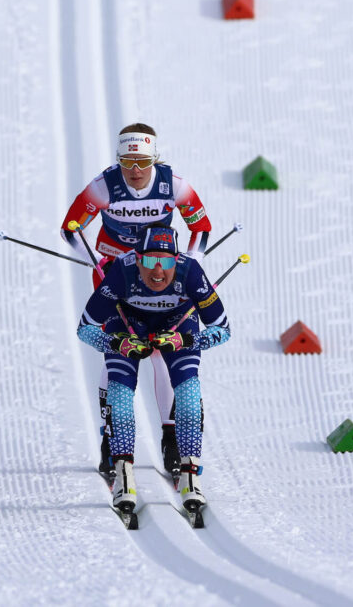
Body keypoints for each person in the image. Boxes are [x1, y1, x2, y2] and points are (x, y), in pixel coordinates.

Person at [61, 123, 213, 480]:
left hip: (160, 270)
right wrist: (95, 262)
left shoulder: (172, 185)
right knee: (119, 348)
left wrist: (191, 263)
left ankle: (171, 437)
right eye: (128, 162)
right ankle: (109, 437)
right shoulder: (104, 185)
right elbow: (71, 226)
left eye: (143, 161)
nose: (135, 171)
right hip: (115, 270)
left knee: (161, 349)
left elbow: (202, 226)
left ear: (154, 158)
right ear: (119, 160)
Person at [76, 225, 231, 511]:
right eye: (149, 261)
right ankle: (123, 473)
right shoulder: (122, 271)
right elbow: (84, 328)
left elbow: (223, 330)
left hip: (178, 324)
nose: (158, 271)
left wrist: (185, 339)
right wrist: (116, 343)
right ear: (137, 259)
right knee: (120, 394)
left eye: (167, 261)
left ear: (177, 260)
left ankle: (190, 475)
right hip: (126, 324)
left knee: (189, 392)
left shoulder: (192, 272)